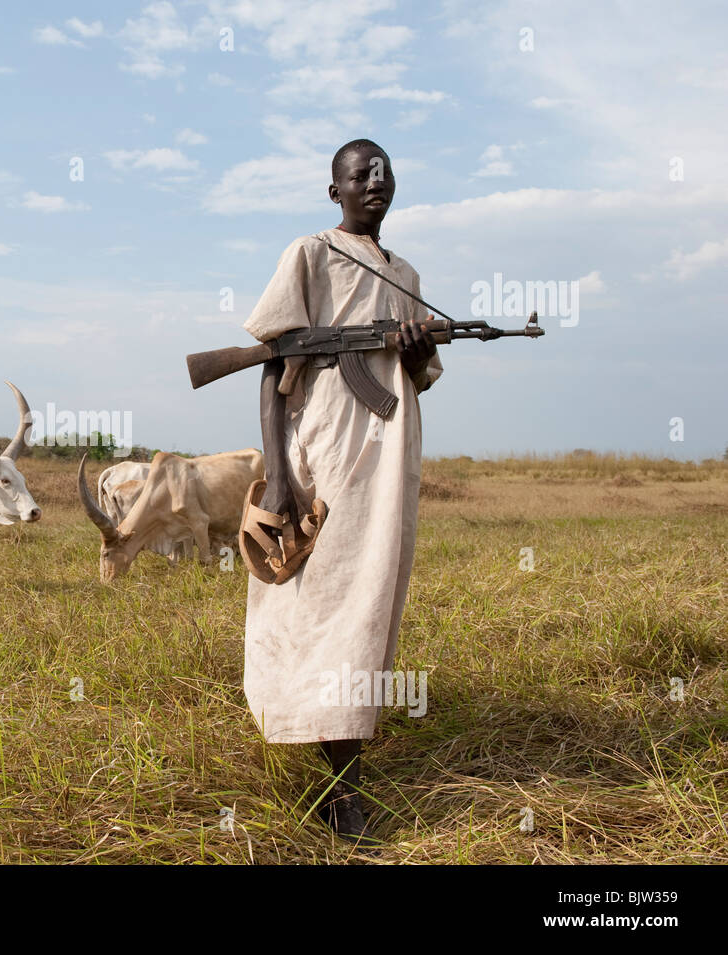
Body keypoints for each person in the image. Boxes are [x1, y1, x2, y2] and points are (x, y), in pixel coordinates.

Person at [241, 139, 442, 846]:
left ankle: (341, 771)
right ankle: (339, 785)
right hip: (324, 449)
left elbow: (417, 376)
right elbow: (271, 366)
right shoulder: (312, 254)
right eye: (362, 173)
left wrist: (415, 352)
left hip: (390, 464)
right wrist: (281, 469)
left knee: (369, 605)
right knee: (319, 601)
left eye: (386, 171)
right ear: (336, 191)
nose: (376, 181)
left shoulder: (408, 273)